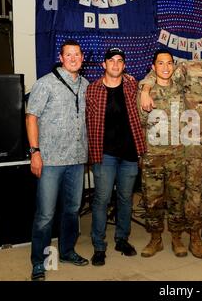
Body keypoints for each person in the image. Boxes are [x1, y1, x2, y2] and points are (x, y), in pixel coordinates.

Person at [140, 32, 202, 258]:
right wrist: (144, 89)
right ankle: (192, 236)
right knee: (192, 190)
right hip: (192, 143)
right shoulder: (189, 69)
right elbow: (161, 73)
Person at [26, 39, 89, 281]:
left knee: (72, 210)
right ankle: (39, 262)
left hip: (76, 159)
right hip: (50, 159)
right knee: (45, 215)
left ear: (82, 58)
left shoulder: (85, 84)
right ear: (61, 58)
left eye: (77, 54)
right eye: (68, 55)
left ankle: (67, 251)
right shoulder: (45, 84)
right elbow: (31, 117)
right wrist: (35, 152)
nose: (73, 58)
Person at [86, 47, 146, 266]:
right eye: (111, 60)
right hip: (105, 155)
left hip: (129, 154)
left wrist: (146, 87)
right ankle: (99, 247)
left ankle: (122, 239)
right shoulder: (92, 90)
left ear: (124, 65)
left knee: (125, 199)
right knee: (101, 200)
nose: (115, 64)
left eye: (120, 60)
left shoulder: (132, 85)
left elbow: (150, 79)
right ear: (104, 65)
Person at [138, 49, 187, 258]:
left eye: (169, 63)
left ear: (174, 66)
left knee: (177, 199)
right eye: (160, 63)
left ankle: (176, 238)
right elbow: (139, 123)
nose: (165, 67)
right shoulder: (145, 92)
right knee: (153, 200)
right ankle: (155, 238)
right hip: (153, 157)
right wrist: (145, 89)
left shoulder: (182, 90)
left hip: (177, 157)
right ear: (153, 67)